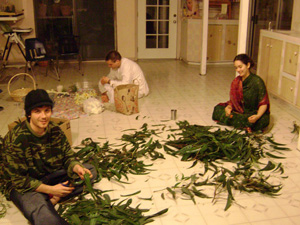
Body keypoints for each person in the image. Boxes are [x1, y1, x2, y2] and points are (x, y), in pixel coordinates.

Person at [0, 89, 97, 225]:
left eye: (47, 110)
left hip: (49, 175)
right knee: (41, 213)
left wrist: (76, 167)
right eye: (37, 111)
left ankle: (48, 198)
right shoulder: (15, 139)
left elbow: (67, 157)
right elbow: (19, 180)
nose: (44, 116)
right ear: (29, 114)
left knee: (90, 171)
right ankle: (47, 200)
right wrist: (52, 190)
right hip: (25, 186)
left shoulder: (55, 130)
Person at [212, 54, 270, 133]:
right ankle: (245, 124)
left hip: (254, 113)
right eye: (236, 68)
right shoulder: (236, 82)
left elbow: (264, 103)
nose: (238, 70)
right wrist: (229, 107)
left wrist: (257, 116)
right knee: (217, 109)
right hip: (240, 112)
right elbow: (233, 102)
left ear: (248, 65)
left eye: (240, 67)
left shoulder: (257, 81)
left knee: (262, 120)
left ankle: (245, 123)